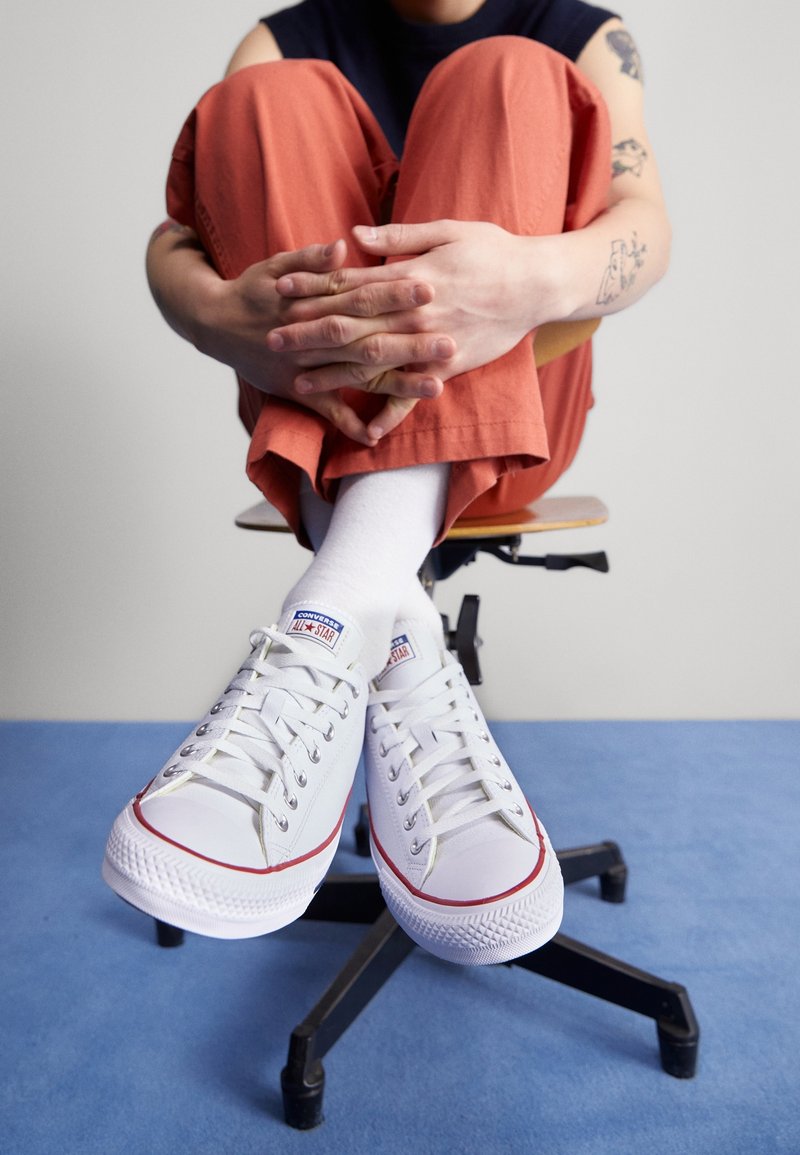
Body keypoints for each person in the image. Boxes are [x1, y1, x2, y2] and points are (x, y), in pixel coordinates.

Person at [102, 0, 669, 966]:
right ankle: (392, 639)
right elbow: (176, 243)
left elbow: (645, 230)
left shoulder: (579, 32)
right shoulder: (288, 38)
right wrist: (215, 316)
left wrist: (528, 278)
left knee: (509, 74)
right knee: (264, 103)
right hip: (312, 393)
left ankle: (319, 629)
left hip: (517, 415)